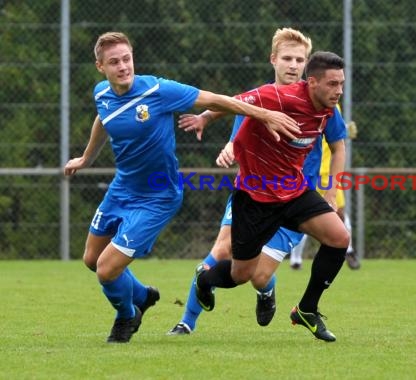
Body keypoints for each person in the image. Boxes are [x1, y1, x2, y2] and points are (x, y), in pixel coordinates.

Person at [63, 31, 299, 343]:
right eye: (114, 62)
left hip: (158, 195)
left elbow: (216, 100)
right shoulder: (102, 93)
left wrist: (265, 113)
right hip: (122, 188)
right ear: (100, 67)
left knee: (106, 270)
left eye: (126, 59)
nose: (123, 66)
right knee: (91, 260)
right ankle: (142, 297)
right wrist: (86, 157)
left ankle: (127, 315)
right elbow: (104, 119)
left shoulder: (159, 91)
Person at [168, 28, 347, 336]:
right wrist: (212, 124)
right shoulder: (268, 96)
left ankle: (305, 309)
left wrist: (333, 187)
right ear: (273, 60)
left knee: (335, 239)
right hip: (254, 195)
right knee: (232, 263)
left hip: (294, 192)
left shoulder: (326, 105)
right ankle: (189, 316)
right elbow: (235, 107)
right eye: (287, 58)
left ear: (307, 69)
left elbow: (339, 144)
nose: (293, 65)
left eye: (299, 60)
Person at [290, 124, 361, 270]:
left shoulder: (334, 106)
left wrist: (344, 129)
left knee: (339, 211)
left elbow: (336, 132)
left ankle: (348, 250)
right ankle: (295, 258)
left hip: (330, 173)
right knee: (305, 215)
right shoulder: (308, 106)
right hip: (312, 172)